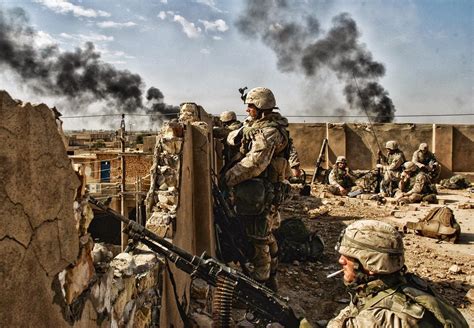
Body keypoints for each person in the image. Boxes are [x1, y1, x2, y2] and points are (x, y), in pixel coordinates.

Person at [328, 220, 468, 328]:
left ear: (370, 265)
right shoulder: (408, 284)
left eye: (348, 257)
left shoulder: (376, 318)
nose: (341, 260)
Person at [224, 87, 292, 291]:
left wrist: (227, 178)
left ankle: (261, 286)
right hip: (261, 191)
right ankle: (271, 279)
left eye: (251, 106)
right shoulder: (259, 125)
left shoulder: (270, 131)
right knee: (266, 235)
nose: (247, 110)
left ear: (261, 108)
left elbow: (255, 164)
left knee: (258, 239)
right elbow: (237, 134)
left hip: (261, 193)